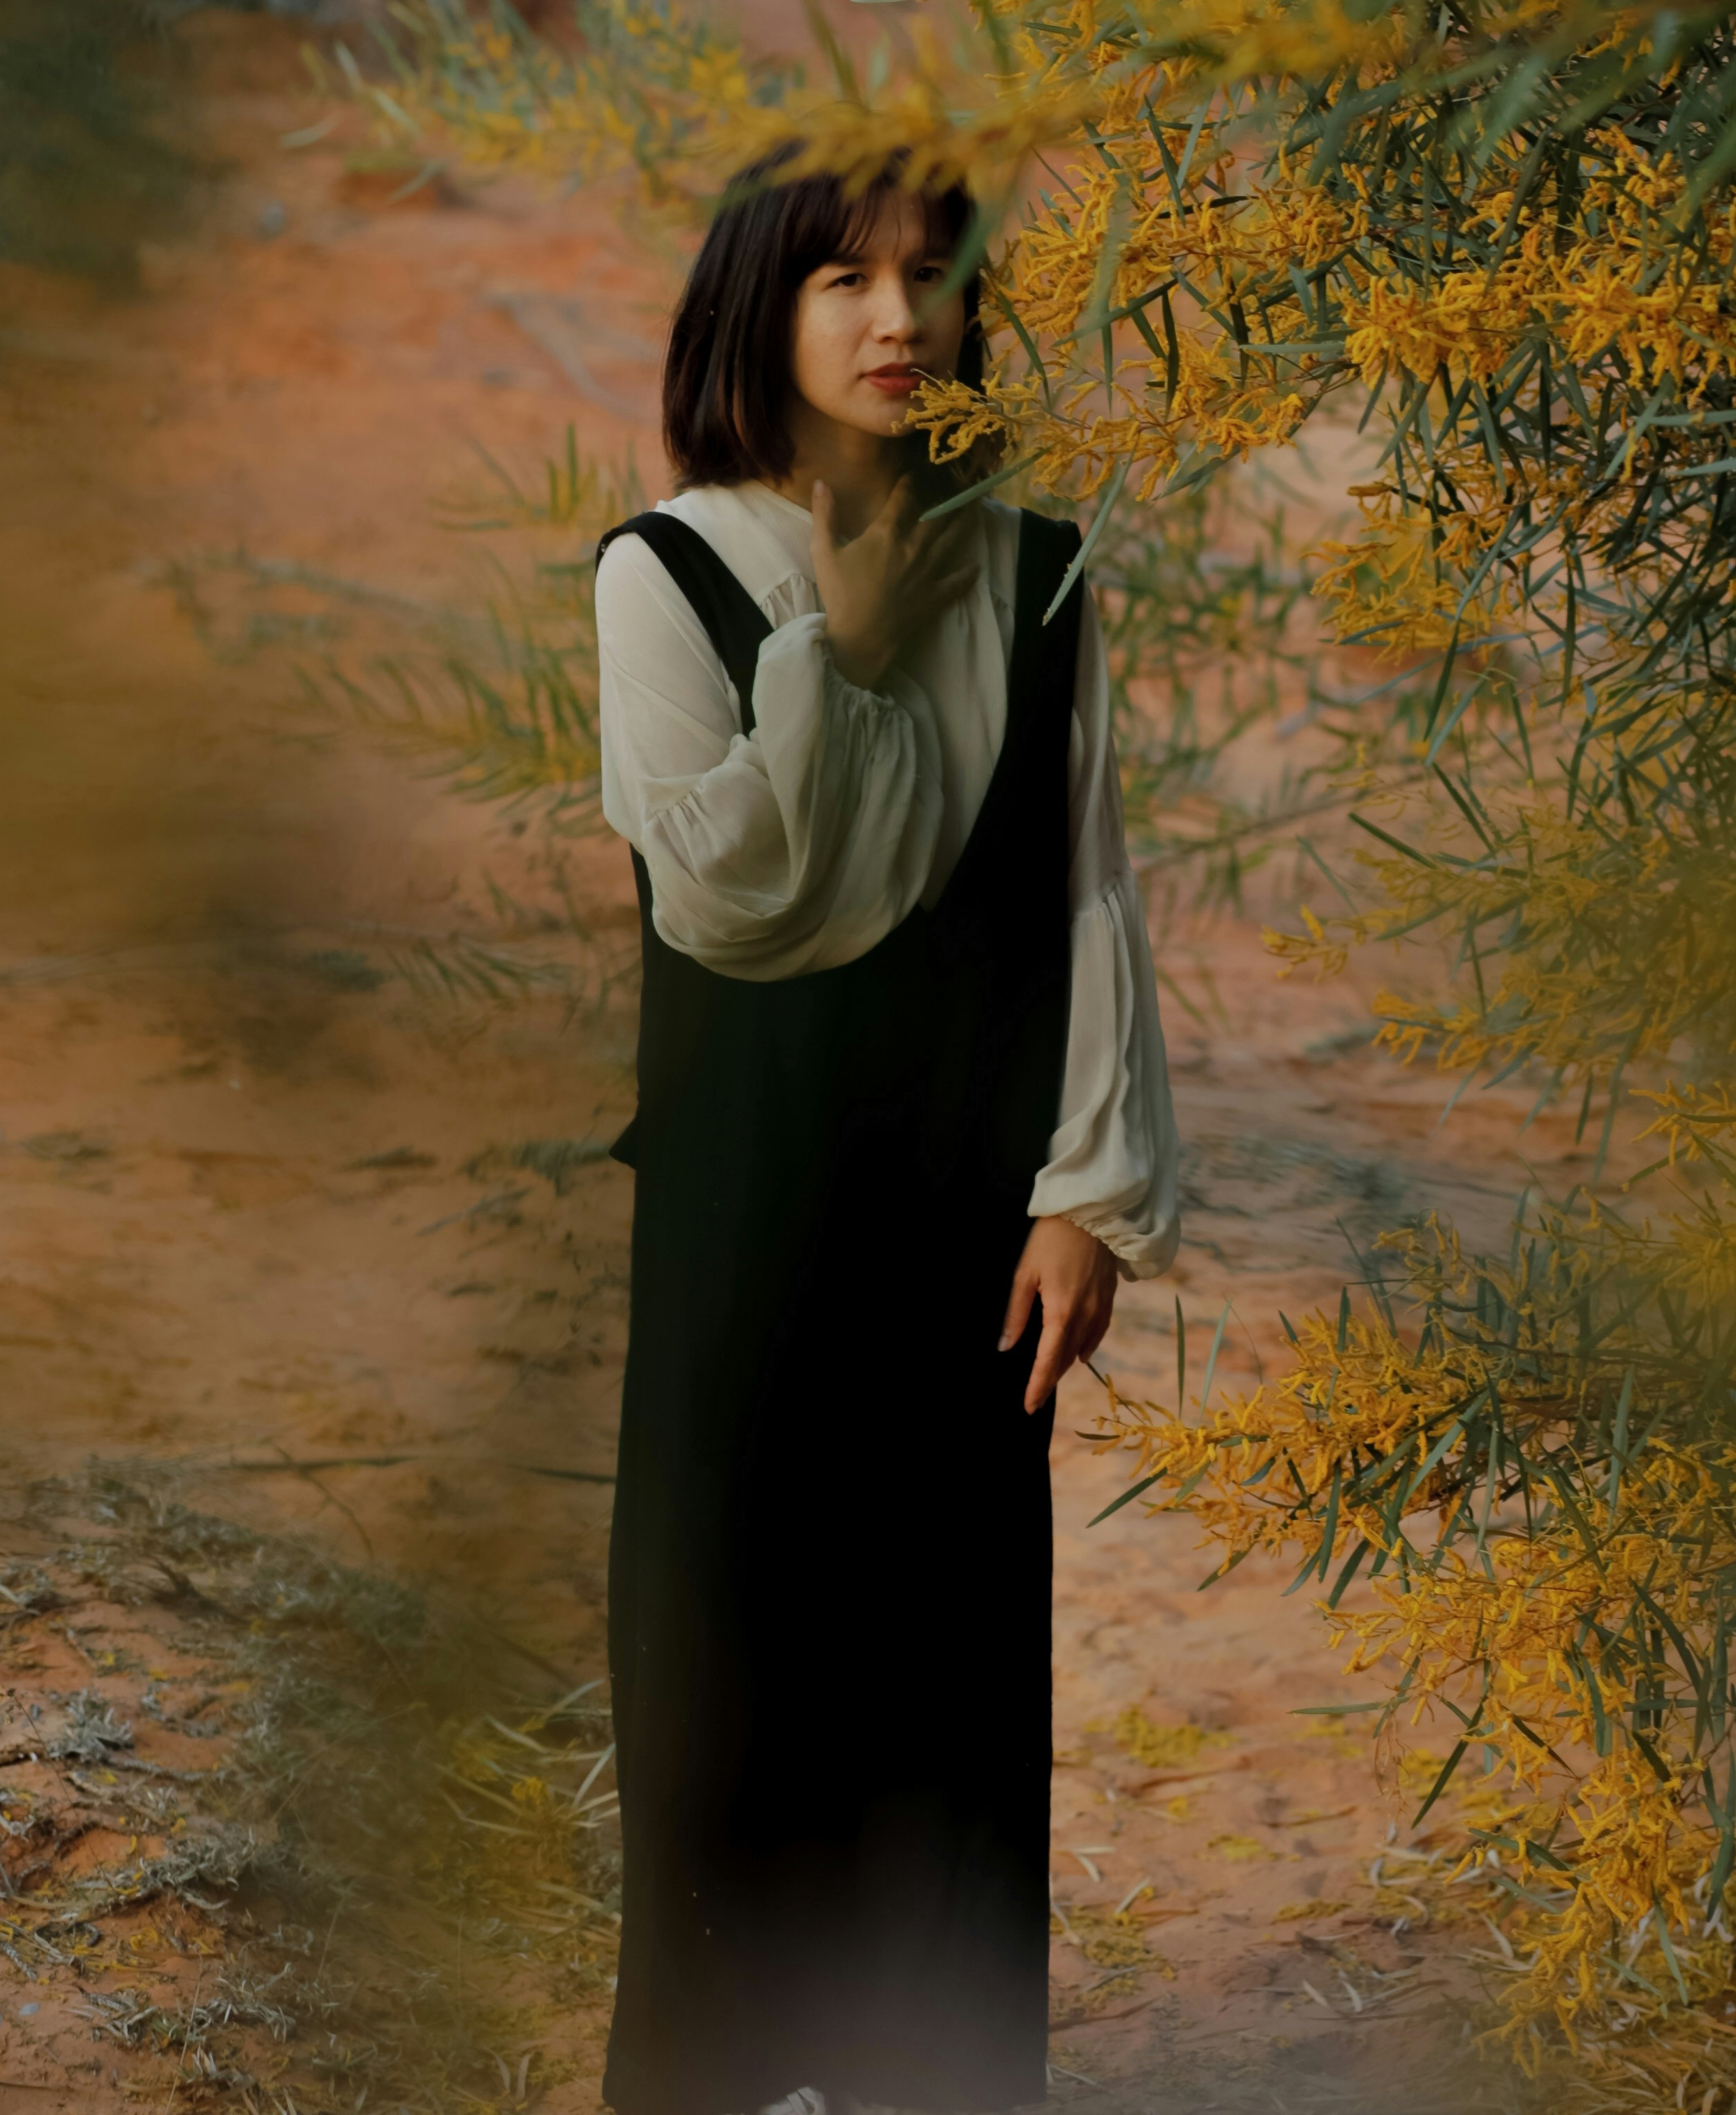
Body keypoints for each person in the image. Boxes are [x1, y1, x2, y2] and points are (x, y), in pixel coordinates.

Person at [592, 165, 1182, 2115]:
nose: (891, 315)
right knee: (730, 1654)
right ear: (758, 312)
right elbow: (737, 903)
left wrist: (1088, 1190)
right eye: (841, 277)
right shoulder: (665, 573)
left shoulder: (1038, 570)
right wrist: (830, 639)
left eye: (927, 275)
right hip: (749, 1222)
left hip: (967, 1228)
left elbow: (1088, 888)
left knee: (945, 1669)